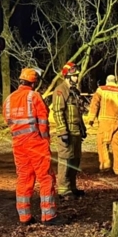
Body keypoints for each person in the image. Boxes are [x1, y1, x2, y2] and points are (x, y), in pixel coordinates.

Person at [3, 68, 62, 225]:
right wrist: (45, 140)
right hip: (35, 142)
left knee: (24, 178)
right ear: (34, 82)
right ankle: (48, 216)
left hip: (18, 144)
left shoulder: (9, 99)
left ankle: (24, 216)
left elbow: (7, 120)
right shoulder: (34, 96)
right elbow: (43, 121)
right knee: (45, 177)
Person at [51, 61, 87, 200]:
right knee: (65, 161)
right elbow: (58, 112)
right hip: (67, 133)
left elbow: (79, 112)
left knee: (75, 161)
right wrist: (62, 132)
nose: (76, 78)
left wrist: (82, 128)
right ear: (67, 77)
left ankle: (72, 187)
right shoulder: (61, 91)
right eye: (74, 76)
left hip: (76, 132)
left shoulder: (75, 92)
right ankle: (63, 191)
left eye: (77, 75)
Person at [88, 74, 118, 176]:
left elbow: (94, 103)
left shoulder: (101, 90)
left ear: (107, 81)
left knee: (102, 142)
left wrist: (91, 118)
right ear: (115, 81)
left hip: (105, 120)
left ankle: (105, 164)